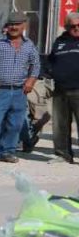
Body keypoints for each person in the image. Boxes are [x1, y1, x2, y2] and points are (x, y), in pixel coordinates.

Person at [0, 12, 42, 164]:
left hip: (20, 91)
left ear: (24, 25)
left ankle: (7, 152)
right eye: (11, 24)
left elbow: (36, 64)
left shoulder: (29, 45)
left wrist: (31, 80)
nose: (14, 27)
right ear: (7, 26)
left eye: (17, 24)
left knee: (15, 124)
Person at [48, 13, 79, 163]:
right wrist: (51, 71)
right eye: (73, 26)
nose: (76, 28)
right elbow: (51, 60)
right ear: (66, 27)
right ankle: (63, 154)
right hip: (60, 89)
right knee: (60, 124)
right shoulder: (59, 41)